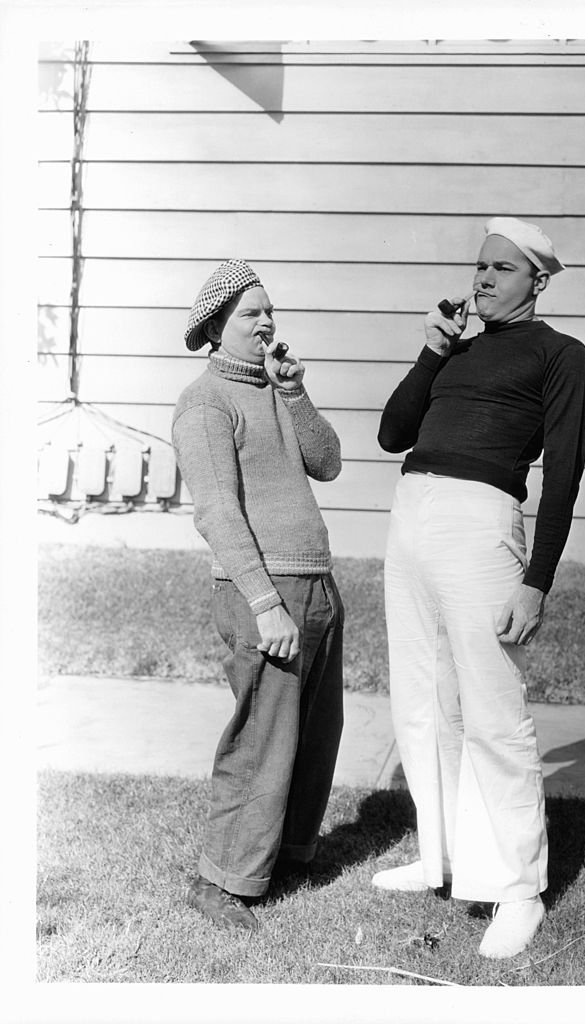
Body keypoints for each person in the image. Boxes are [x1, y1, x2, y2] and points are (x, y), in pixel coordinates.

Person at [374, 217, 585, 958]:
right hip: (412, 515)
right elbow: (391, 433)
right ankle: (439, 855)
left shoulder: (562, 355)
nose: (483, 279)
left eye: (502, 269)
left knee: (491, 710)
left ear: (536, 280)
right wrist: (432, 350)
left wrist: (537, 582)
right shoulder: (456, 350)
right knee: (422, 695)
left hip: (481, 524)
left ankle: (515, 888)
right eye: (479, 266)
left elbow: (562, 476)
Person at [172, 259, 344, 931]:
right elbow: (216, 512)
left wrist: (296, 392)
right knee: (261, 739)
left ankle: (286, 856)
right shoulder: (204, 402)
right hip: (262, 593)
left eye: (270, 310)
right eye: (250, 313)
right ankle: (221, 880)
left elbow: (327, 462)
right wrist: (265, 603)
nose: (267, 321)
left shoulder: (276, 388)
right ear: (216, 327)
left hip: (315, 583)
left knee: (313, 733)